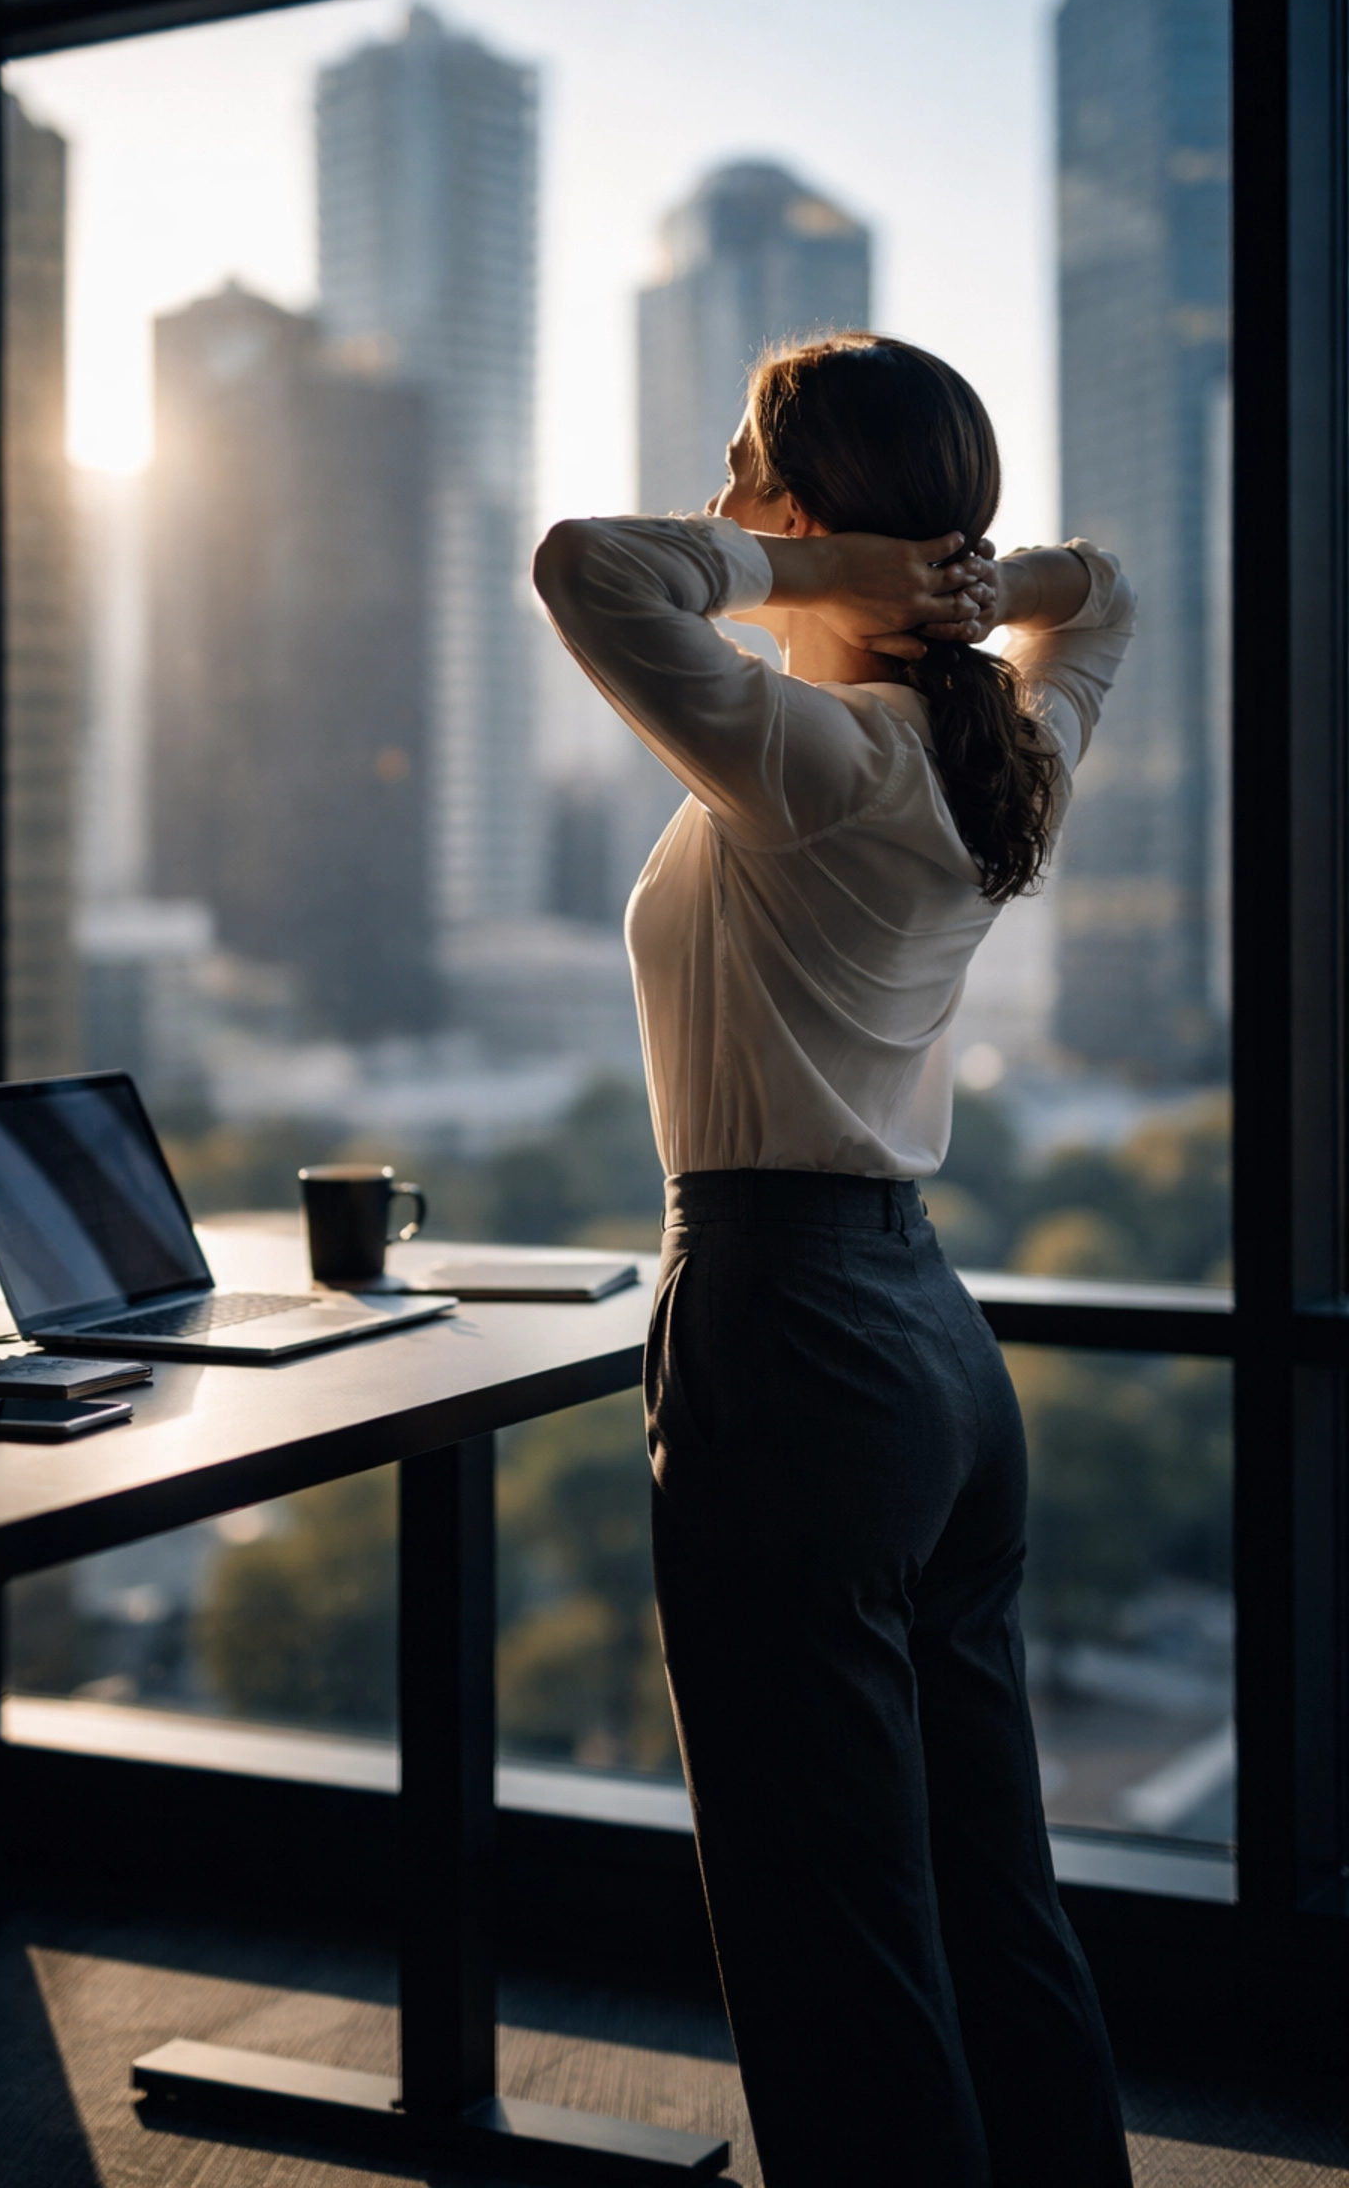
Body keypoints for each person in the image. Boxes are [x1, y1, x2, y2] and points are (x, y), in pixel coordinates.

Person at [532, 332, 1136, 2188]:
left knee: (834, 1940)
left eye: (745, 475)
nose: (717, 505)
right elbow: (1099, 591)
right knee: (983, 1891)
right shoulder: (1000, 751)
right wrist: (934, 574)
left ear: (803, 517)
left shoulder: (805, 760)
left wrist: (819, 577)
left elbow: (587, 565)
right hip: (935, 1356)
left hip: (792, 1340)